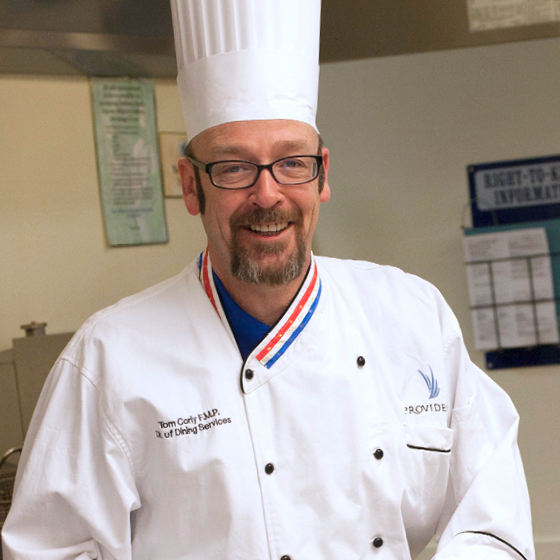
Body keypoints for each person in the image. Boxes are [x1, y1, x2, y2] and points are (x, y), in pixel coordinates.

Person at [2, 0, 534, 559]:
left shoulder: (412, 315)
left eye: (292, 162)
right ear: (190, 185)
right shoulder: (109, 357)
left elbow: (492, 518)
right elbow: (51, 550)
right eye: (233, 167)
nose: (267, 195)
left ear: (322, 174)